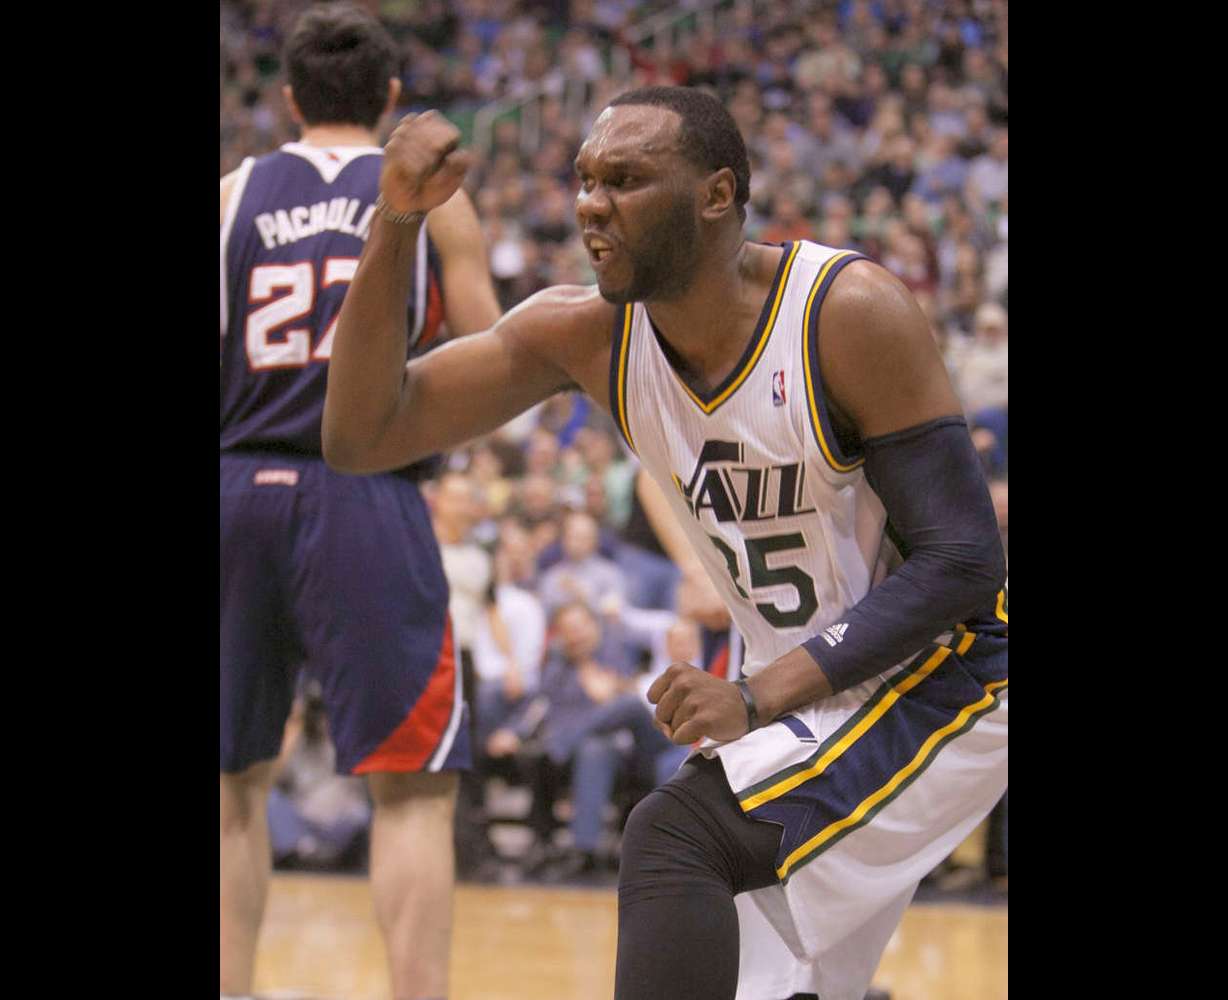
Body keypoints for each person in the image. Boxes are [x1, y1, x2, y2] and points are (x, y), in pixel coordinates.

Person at [323, 85, 1007, 1000]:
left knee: (678, 836)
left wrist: (760, 694)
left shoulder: (846, 311)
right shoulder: (585, 337)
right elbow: (364, 433)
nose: (590, 204)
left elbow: (964, 563)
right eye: (584, 180)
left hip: (949, 674)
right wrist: (398, 223)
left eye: (627, 179)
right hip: (816, 694)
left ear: (717, 194)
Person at [218, 5, 500, 999]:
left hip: (239, 482)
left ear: (288, 97)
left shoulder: (233, 193)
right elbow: (488, 355)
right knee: (413, 787)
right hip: (367, 487)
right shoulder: (430, 197)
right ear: (389, 97)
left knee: (230, 786)